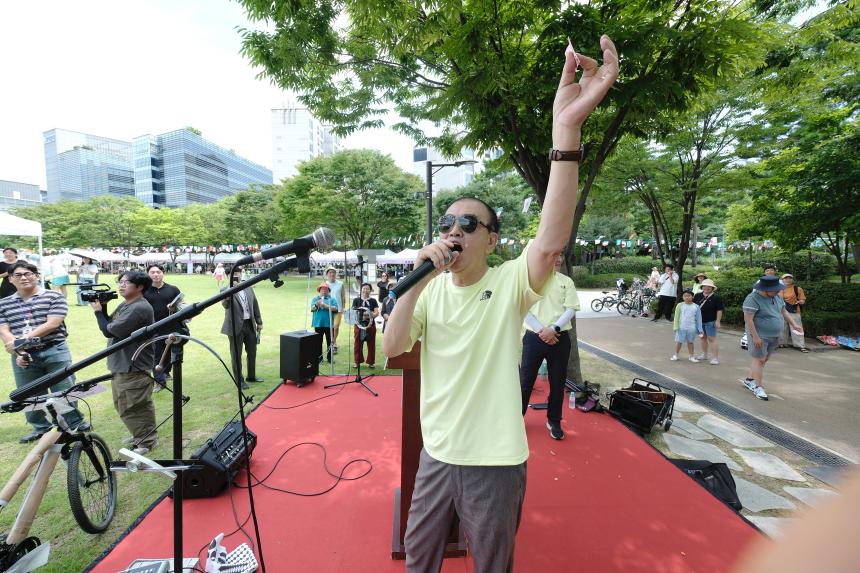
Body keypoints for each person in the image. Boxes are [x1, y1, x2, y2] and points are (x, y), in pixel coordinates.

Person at [382, 35, 618, 573]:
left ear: (492, 240)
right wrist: (416, 280)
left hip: (495, 462)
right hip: (436, 456)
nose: (455, 229)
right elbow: (393, 348)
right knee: (420, 560)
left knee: (492, 563)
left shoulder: (512, 280)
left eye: (470, 223)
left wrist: (567, 132)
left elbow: (552, 239)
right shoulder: (430, 288)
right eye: (447, 223)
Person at [0, 261, 89, 443]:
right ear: (10, 279)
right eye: (18, 275)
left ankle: (74, 423)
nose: (24, 277)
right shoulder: (3, 303)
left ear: (37, 276)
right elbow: (4, 331)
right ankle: (41, 428)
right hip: (23, 354)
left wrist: (18, 343)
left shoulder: (53, 297)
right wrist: (19, 352)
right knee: (28, 393)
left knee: (64, 389)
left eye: (28, 273)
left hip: (54, 349)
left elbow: (52, 324)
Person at [90, 270, 157, 454]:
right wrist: (102, 308)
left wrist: (97, 312)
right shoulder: (128, 304)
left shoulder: (139, 307)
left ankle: (146, 441)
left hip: (133, 365)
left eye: (126, 282)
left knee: (135, 404)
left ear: (140, 286)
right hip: (123, 362)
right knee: (125, 403)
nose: (121, 285)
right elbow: (110, 323)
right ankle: (140, 434)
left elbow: (108, 331)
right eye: (120, 281)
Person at [519, 253, 580, 440]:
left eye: (561, 255)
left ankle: (554, 420)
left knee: (557, 382)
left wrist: (554, 329)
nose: (559, 259)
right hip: (533, 337)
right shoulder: (530, 280)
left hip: (559, 338)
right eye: (554, 255)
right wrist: (541, 331)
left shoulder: (566, 281)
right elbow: (522, 307)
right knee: (525, 382)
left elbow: (571, 308)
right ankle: (516, 420)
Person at [740, 275, 803, 401]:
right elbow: (748, 320)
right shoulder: (752, 298)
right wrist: (755, 337)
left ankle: (749, 380)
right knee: (760, 360)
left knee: (763, 360)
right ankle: (758, 387)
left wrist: (794, 324)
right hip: (759, 335)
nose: (778, 291)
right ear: (765, 289)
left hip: (774, 335)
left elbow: (783, 311)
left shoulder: (776, 297)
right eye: (775, 289)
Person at [221, 266, 263, 390]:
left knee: (252, 352)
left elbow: (255, 305)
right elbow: (225, 305)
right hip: (234, 326)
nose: (236, 275)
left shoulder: (248, 286)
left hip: (250, 324)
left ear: (241, 274)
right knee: (236, 355)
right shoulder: (225, 289)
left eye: (238, 273)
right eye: (233, 274)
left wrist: (259, 322)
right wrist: (230, 291)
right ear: (228, 276)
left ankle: (251, 376)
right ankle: (239, 380)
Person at [143, 264, 184, 388]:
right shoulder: (144, 291)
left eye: (158, 272)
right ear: (148, 275)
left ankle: (165, 372)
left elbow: (182, 305)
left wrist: (175, 306)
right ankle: (159, 381)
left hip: (172, 326)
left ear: (163, 273)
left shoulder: (173, 289)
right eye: (152, 272)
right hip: (153, 327)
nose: (156, 274)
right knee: (157, 354)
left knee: (171, 352)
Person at [693, 279, 724, 364]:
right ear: (702, 287)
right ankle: (704, 354)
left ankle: (715, 358)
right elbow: (693, 307)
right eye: (705, 286)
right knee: (702, 338)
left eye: (709, 286)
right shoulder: (697, 296)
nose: (706, 288)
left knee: (712, 339)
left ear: (712, 288)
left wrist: (718, 321)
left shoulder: (717, 297)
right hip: (699, 321)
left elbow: (719, 310)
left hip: (711, 321)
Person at [671, 288, 704, 362]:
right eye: (685, 296)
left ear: (692, 297)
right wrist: (675, 326)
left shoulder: (696, 306)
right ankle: (676, 355)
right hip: (681, 327)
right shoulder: (680, 305)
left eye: (689, 295)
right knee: (679, 342)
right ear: (683, 297)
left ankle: (691, 356)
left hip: (692, 328)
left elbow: (699, 319)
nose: (687, 297)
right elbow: (676, 317)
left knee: (691, 342)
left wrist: (700, 329)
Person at [352, 282, 379, 369]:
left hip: (370, 325)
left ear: (370, 290)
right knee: (357, 344)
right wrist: (362, 316)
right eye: (364, 288)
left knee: (371, 344)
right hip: (359, 325)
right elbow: (353, 312)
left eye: (367, 289)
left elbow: (376, 312)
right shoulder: (356, 300)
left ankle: (371, 362)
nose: (365, 290)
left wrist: (369, 315)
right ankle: (357, 362)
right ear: (361, 290)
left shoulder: (373, 301)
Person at [779, 273, 808, 353]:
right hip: (781, 311)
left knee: (797, 327)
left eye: (789, 278)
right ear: (782, 280)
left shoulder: (798, 289)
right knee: (782, 328)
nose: (788, 279)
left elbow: (802, 300)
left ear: (792, 279)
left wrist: (800, 301)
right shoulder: (778, 289)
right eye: (785, 278)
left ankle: (800, 345)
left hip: (794, 310)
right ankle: (782, 343)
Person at [310, 282, 338, 363]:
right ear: (319, 290)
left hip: (329, 324)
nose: (324, 291)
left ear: (328, 291)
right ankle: (319, 358)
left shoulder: (332, 299)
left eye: (326, 290)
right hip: (318, 324)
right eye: (322, 290)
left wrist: (326, 306)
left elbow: (336, 309)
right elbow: (312, 309)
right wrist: (316, 305)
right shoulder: (315, 299)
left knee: (330, 342)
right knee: (318, 342)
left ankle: (330, 358)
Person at [325, 266, 346, 354]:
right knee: (329, 327)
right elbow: (322, 295)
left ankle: (333, 343)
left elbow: (343, 296)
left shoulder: (340, 284)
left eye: (333, 272)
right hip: (327, 308)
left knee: (336, 326)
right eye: (330, 272)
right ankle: (332, 343)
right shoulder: (325, 284)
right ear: (327, 274)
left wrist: (343, 307)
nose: (332, 274)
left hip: (338, 309)